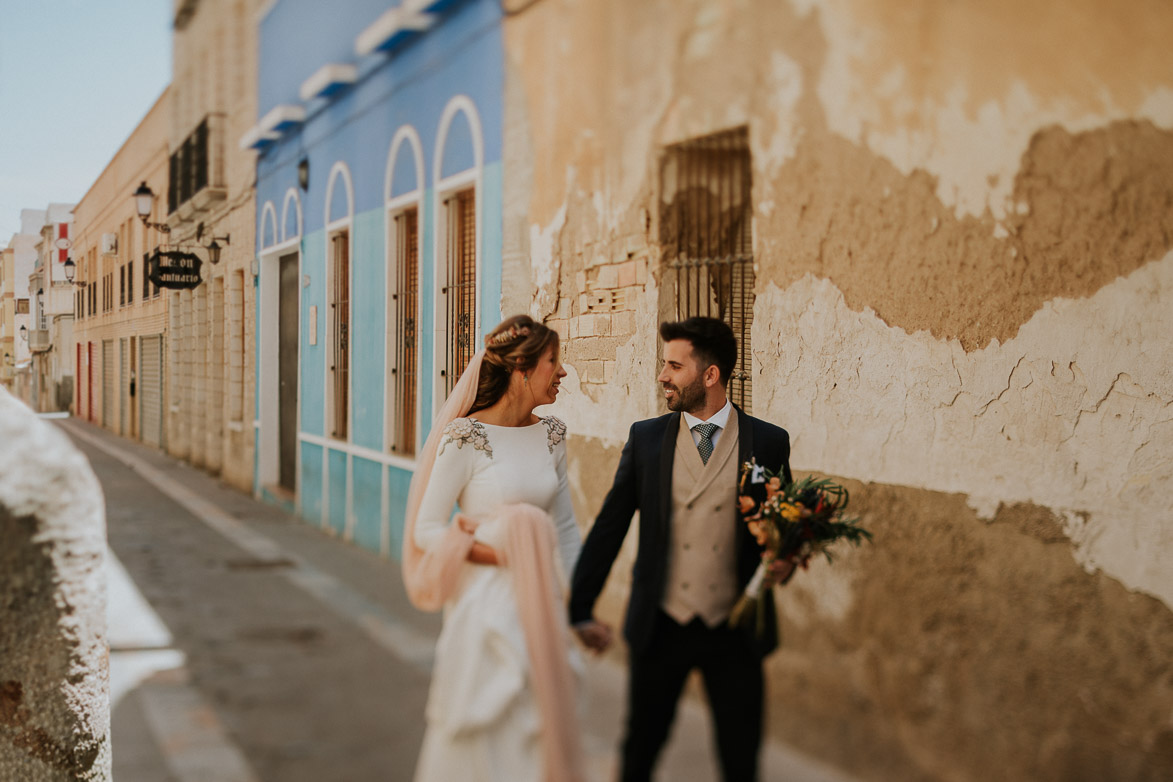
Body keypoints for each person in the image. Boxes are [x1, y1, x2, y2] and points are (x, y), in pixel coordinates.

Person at [570, 316, 794, 782]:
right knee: (640, 750)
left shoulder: (769, 442)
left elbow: (782, 531)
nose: (662, 375)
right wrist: (580, 607)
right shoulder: (647, 439)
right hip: (662, 621)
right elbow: (610, 526)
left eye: (673, 365)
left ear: (709, 375)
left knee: (740, 759)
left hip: (734, 628)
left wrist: (785, 561)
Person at [403, 314, 586, 782]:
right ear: (521, 369)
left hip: (541, 603)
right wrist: (499, 554)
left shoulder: (552, 435)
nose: (562, 372)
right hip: (486, 607)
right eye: (553, 362)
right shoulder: (466, 437)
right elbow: (425, 530)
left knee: (541, 723)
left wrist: (578, 605)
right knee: (488, 724)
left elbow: (563, 527)